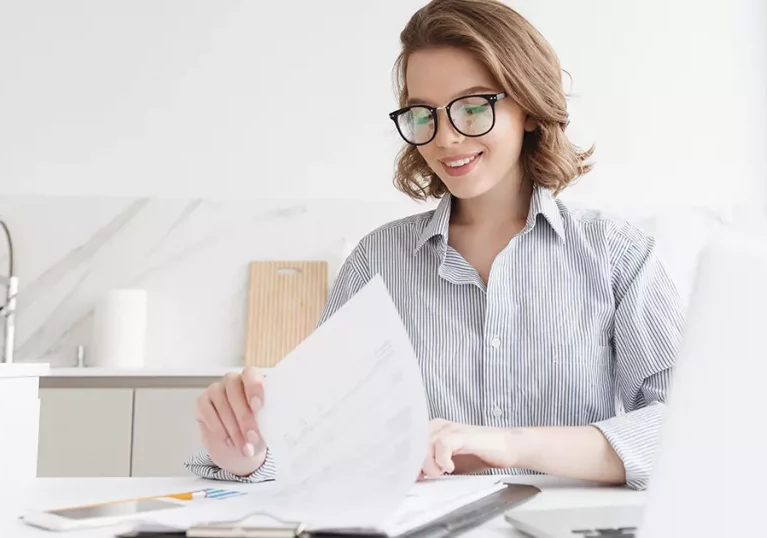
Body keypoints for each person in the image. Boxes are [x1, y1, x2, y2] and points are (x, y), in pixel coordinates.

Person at [185, 0, 685, 491]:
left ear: (529, 108)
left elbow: (685, 427)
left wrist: (513, 445)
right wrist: (251, 455)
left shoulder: (618, 255)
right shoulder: (377, 262)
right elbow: (320, 441)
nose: (445, 138)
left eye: (472, 107)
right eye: (424, 114)